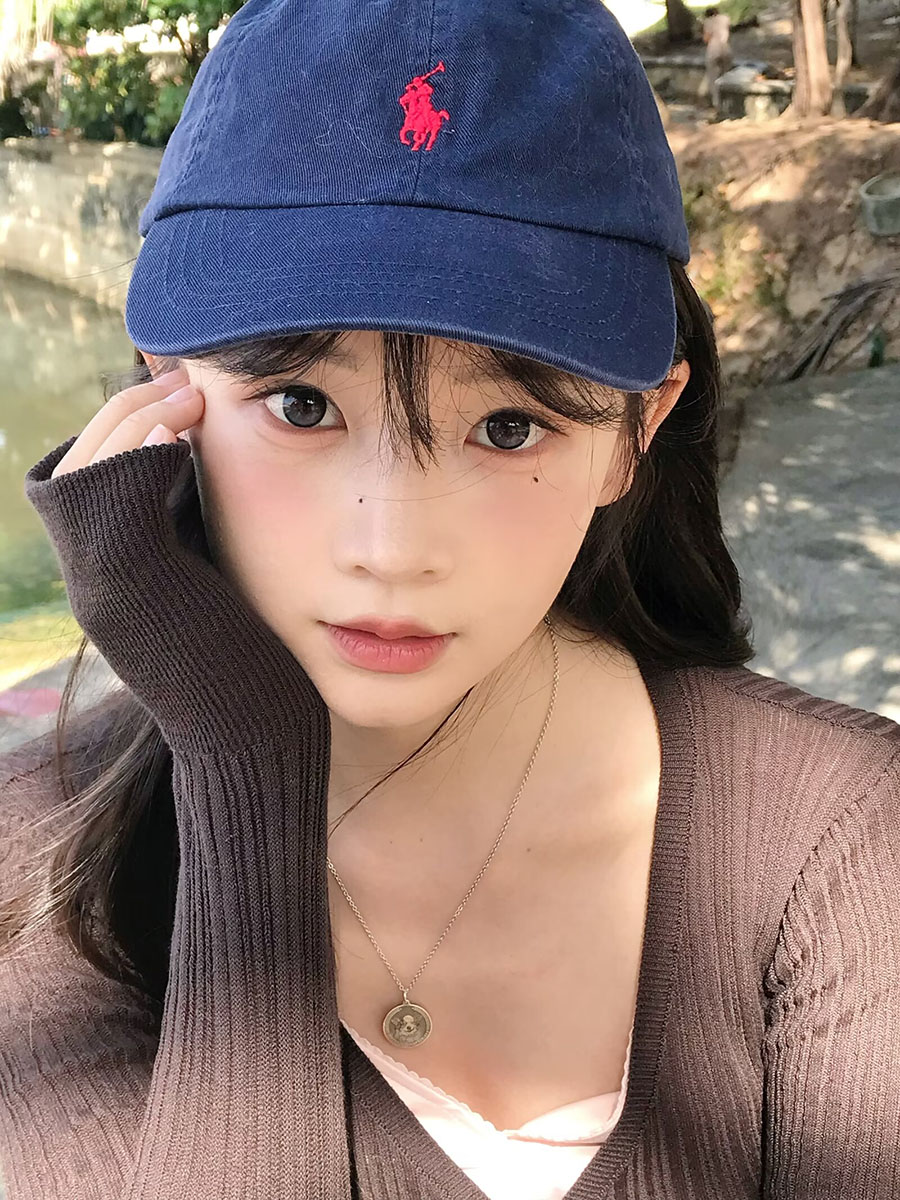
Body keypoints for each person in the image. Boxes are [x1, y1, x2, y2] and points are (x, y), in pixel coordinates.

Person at [1, 1, 899, 1198]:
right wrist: (243, 761)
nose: (392, 548)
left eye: (509, 425)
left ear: (638, 432)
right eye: (303, 407)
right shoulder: (36, 868)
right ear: (167, 387)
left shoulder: (842, 841)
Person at [702, 5, 734, 109]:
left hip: (713, 49)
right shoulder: (725, 18)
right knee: (727, 75)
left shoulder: (708, 21)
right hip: (726, 48)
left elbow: (706, 38)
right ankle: (729, 101)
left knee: (713, 77)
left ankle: (717, 102)